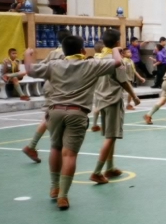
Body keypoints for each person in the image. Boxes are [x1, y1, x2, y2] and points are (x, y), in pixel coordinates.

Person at [23, 36, 122, 210]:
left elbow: (30, 70)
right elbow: (117, 63)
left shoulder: (54, 65)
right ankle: (63, 196)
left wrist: (28, 54)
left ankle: (54, 187)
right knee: (69, 154)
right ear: (83, 51)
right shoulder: (90, 65)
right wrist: (115, 49)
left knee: (55, 148)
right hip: (77, 113)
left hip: (55, 111)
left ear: (64, 51)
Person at [90, 30, 141, 184]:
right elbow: (123, 81)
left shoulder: (97, 58)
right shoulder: (116, 60)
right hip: (112, 99)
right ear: (118, 43)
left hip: (100, 99)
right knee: (111, 136)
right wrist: (134, 96)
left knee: (109, 135)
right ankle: (97, 171)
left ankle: (110, 167)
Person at [22, 29, 70, 163]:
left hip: (49, 86)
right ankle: (35, 146)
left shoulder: (52, 53)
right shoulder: (68, 53)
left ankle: (33, 146)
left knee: (49, 116)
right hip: (59, 88)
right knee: (51, 118)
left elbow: (40, 67)